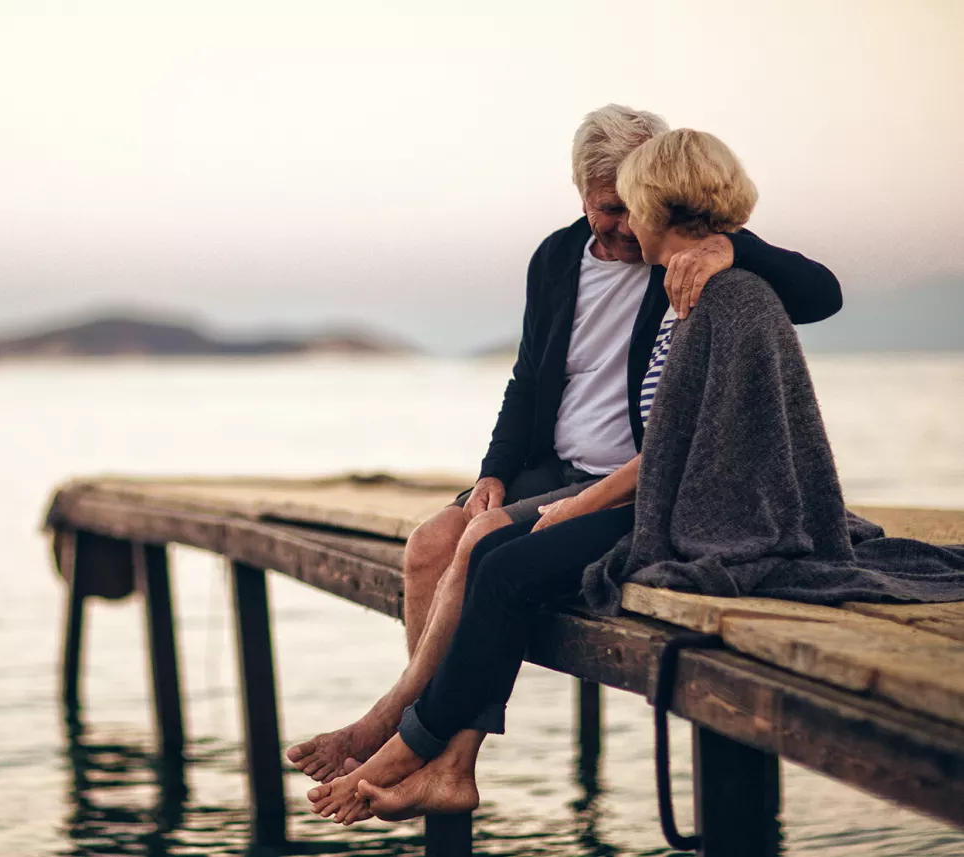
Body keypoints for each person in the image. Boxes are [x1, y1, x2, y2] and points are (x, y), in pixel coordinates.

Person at [307, 128, 964, 825]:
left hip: (674, 506)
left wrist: (733, 245)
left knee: (493, 560)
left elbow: (686, 434)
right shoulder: (575, 261)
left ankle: (408, 746)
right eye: (606, 207)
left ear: (656, 203)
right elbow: (537, 378)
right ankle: (429, 751)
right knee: (443, 544)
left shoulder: (715, 284)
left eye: (632, 206)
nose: (623, 224)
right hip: (630, 488)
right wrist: (499, 473)